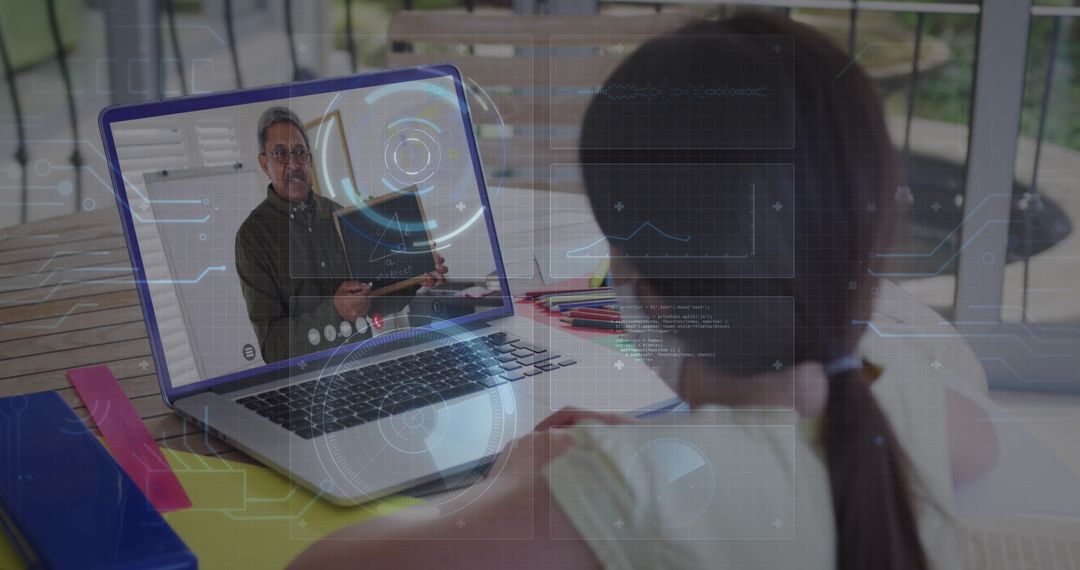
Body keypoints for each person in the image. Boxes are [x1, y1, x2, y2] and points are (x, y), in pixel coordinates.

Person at [289, 12, 997, 569]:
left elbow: (318, 566)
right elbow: (975, 448)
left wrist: (512, 485)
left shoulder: (639, 489)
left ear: (652, 298)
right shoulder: (902, 403)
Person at [235, 107, 448, 364]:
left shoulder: (338, 214)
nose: (293, 164)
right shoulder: (252, 238)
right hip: (304, 387)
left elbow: (373, 300)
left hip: (363, 366)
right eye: (280, 154)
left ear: (310, 159)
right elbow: (272, 347)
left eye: (300, 153)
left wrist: (417, 275)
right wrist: (334, 312)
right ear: (264, 163)